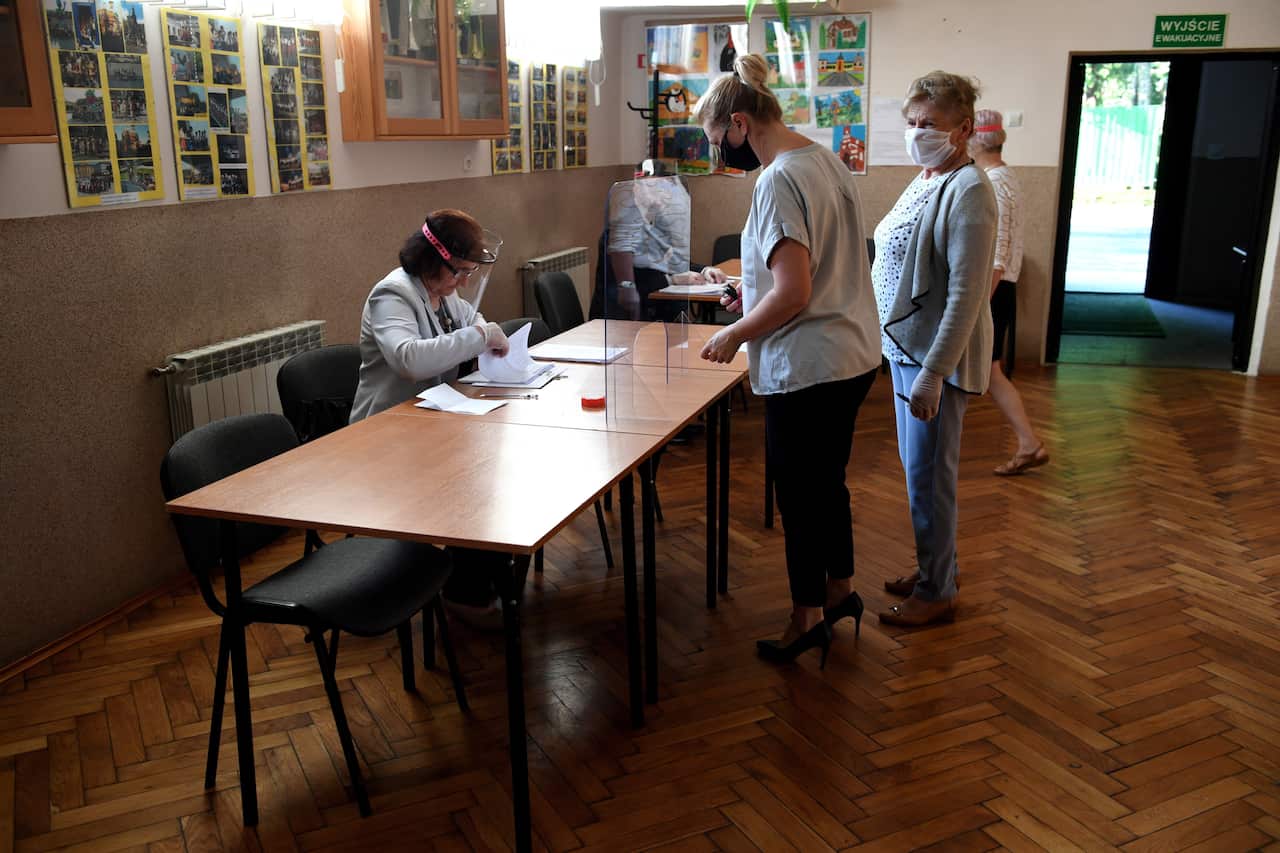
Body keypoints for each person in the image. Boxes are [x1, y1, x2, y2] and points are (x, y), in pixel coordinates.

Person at [697, 54, 881, 666]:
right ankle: (840, 592)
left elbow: (796, 292)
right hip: (852, 354)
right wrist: (749, 294)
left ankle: (805, 619)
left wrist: (732, 335)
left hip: (809, 366)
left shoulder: (776, 178)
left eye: (719, 139)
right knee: (829, 486)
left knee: (800, 498)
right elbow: (812, 270)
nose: (721, 153)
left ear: (742, 123)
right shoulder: (825, 159)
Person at [350, 209, 522, 628]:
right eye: (459, 271)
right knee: (472, 483)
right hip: (386, 433)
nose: (463, 281)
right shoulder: (392, 295)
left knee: (490, 472)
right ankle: (463, 591)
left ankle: (477, 579)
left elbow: (472, 319)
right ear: (433, 260)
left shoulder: (441, 293)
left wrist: (481, 328)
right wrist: (480, 337)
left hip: (432, 421)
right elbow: (408, 359)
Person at [874, 71, 997, 628]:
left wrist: (933, 374)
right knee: (917, 471)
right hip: (907, 350)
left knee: (930, 477)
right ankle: (934, 570)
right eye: (912, 123)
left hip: (933, 361)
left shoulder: (970, 189)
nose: (917, 132)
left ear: (963, 128)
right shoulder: (927, 177)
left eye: (930, 124)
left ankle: (938, 593)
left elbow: (967, 297)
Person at [969, 109, 1049, 475]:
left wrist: (975, 307)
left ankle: (1029, 442)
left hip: (993, 291)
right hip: (998, 290)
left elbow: (997, 255)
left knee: (987, 372)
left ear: (975, 140)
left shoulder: (995, 183)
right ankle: (1028, 443)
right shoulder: (1003, 176)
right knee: (989, 373)